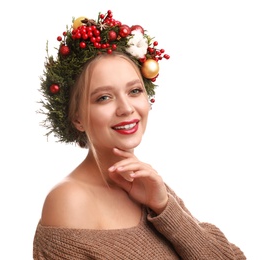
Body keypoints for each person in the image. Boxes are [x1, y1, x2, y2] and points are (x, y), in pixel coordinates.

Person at [33, 9, 246, 260]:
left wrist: (165, 207)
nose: (126, 108)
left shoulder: (149, 185)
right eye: (104, 97)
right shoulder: (69, 201)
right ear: (77, 117)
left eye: (134, 91)